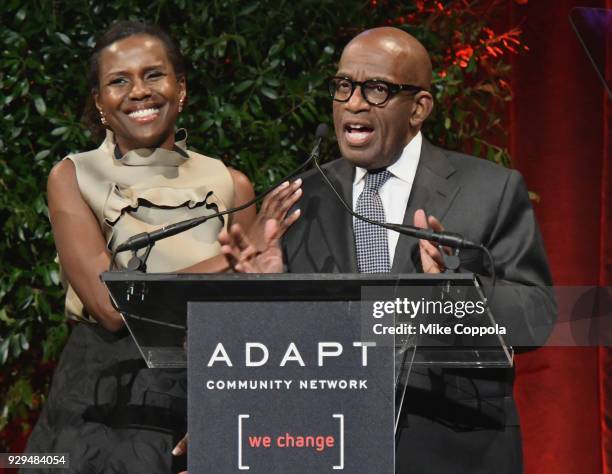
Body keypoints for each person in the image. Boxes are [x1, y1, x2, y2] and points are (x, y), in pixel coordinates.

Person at [219, 27, 557, 473]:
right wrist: (269, 293)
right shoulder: (302, 199)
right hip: (332, 450)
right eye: (343, 86)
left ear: (418, 108)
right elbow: (284, 352)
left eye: (376, 89)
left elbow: (536, 315)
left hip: (453, 454)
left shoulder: (489, 190)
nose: (354, 103)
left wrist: (456, 298)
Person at [25, 21, 301, 473]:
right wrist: (228, 261)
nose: (139, 91)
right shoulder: (72, 175)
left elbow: (251, 322)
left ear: (181, 88)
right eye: (119, 80)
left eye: (154, 75)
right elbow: (113, 306)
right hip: (105, 393)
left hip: (205, 381)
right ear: (99, 101)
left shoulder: (231, 183)